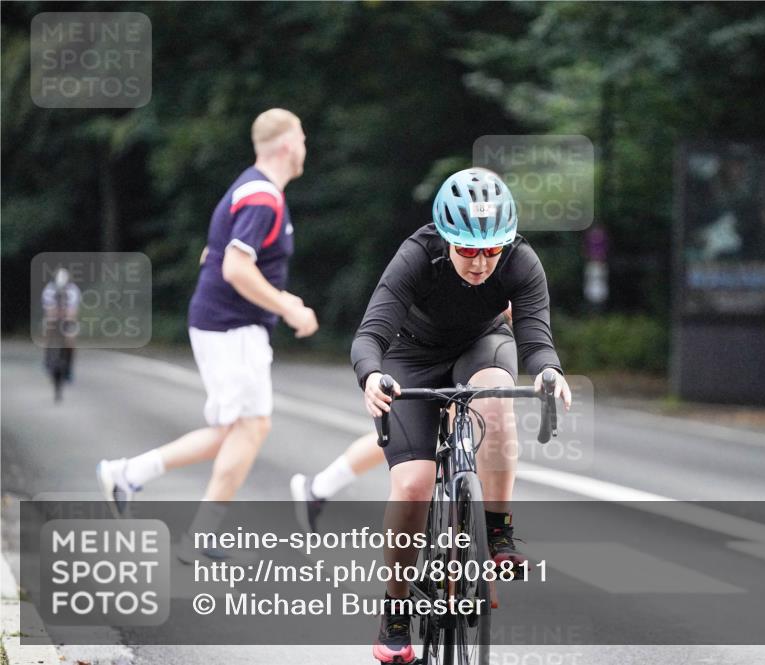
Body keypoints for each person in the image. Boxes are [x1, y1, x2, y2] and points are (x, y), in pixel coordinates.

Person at [350, 168, 571, 664]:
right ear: (447, 239)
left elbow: (535, 335)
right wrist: (371, 377)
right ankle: (396, 611)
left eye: (491, 250)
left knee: (495, 396)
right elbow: (370, 335)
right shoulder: (416, 255)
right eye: (468, 250)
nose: (480, 262)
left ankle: (497, 532)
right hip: (412, 355)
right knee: (412, 485)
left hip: (481, 345)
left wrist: (549, 372)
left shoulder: (520, 261)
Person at [97, 108, 318, 562]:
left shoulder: (251, 189)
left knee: (234, 429)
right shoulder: (262, 197)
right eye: (301, 138)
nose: (305, 147)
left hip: (226, 325)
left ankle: (128, 475)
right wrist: (288, 306)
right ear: (285, 145)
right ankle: (194, 530)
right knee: (251, 426)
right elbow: (234, 266)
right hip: (232, 327)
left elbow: (210, 254)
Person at [289, 304, 513, 534]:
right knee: (414, 436)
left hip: (465, 339)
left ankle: (318, 487)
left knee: (454, 414)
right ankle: (319, 487)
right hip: (419, 338)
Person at [41, 267, 81, 400]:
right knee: (47, 333)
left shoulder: (73, 290)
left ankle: (69, 368)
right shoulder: (49, 289)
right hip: (53, 318)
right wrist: (53, 319)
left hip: (67, 319)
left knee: (71, 340)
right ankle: (47, 361)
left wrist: (68, 318)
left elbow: (73, 311)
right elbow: (48, 310)